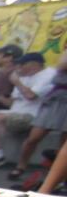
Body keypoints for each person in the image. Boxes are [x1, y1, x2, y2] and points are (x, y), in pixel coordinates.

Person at [0, 51, 52, 174]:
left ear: (34, 65)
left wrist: (16, 82)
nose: (19, 68)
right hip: (15, 112)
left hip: (33, 115)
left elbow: (30, 95)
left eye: (22, 65)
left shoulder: (47, 75)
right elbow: (12, 104)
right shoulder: (23, 76)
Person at [13, 53, 67, 186]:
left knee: (63, 146)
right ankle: (21, 166)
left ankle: (58, 178)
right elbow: (62, 64)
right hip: (56, 99)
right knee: (33, 138)